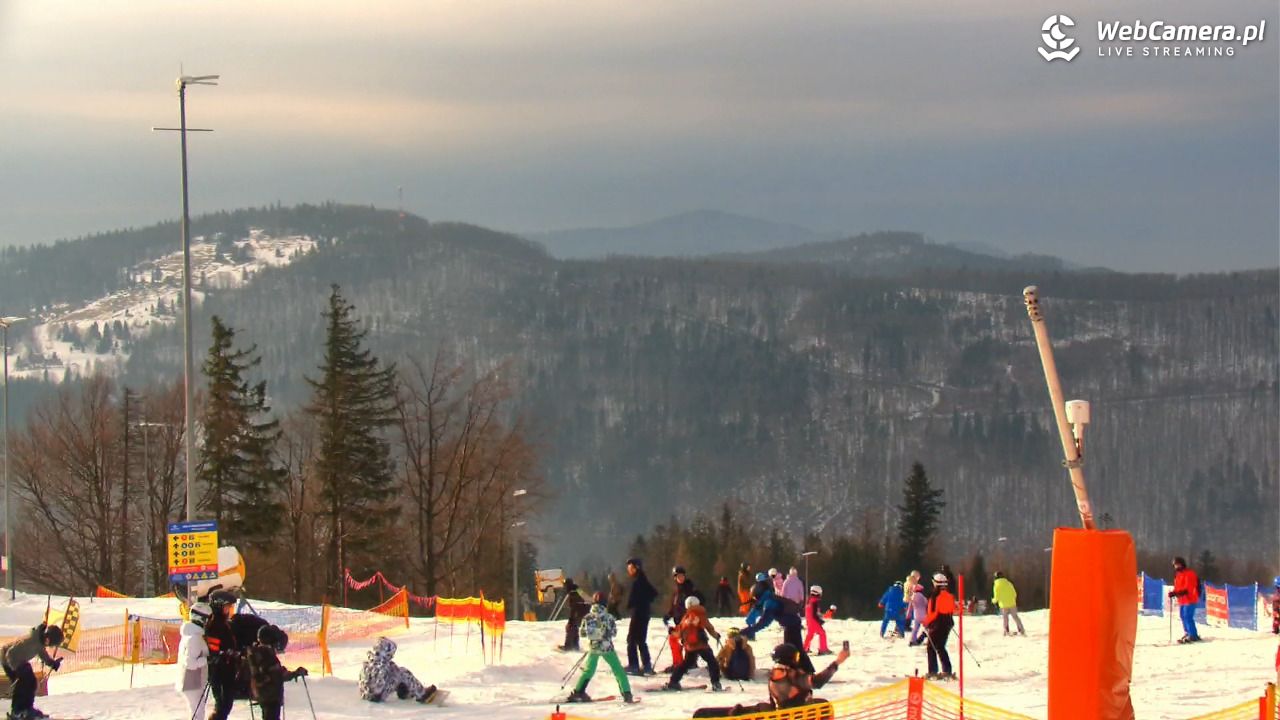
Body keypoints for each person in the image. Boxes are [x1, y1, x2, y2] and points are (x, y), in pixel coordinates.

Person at [567, 592, 635, 704]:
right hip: (607, 648)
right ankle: (627, 694)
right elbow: (613, 633)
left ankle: (578, 692)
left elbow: (583, 633)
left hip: (593, 648)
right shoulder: (609, 617)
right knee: (618, 670)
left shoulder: (587, 617)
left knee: (588, 671)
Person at [2, 623, 63, 720]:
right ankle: (17, 711)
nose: (49, 646)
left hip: (17, 661)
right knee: (23, 683)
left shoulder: (39, 641)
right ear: (47, 638)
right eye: (51, 644)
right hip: (8, 660)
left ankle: (26, 708)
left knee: (31, 683)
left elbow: (43, 654)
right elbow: (10, 653)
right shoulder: (32, 641)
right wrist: (16, 669)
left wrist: (52, 663)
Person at [247, 624, 307, 720]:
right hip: (270, 694)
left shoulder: (257, 653)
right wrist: (295, 673)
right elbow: (278, 674)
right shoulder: (266, 655)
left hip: (263, 694)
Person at [663, 596, 723, 692]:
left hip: (690, 646)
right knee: (712, 662)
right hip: (701, 644)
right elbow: (708, 627)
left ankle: (673, 682)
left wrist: (671, 631)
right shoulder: (700, 613)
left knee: (685, 664)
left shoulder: (686, 617)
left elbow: (679, 632)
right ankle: (716, 683)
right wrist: (716, 635)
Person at [766, 642, 851, 709]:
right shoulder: (790, 674)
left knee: (821, 703)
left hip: (784, 714)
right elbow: (817, 682)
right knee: (825, 707)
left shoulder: (773, 675)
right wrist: (838, 661)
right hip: (800, 714)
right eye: (796, 657)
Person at [358, 637, 439, 703]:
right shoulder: (381, 665)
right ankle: (422, 694)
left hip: (365, 694)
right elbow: (379, 686)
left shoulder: (370, 661)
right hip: (377, 696)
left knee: (395, 672)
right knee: (403, 672)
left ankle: (403, 689)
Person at [203, 590, 242, 720]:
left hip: (227, 669)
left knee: (226, 704)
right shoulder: (214, 624)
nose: (229, 610)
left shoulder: (225, 623)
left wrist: (236, 653)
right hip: (219, 670)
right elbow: (213, 648)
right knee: (222, 705)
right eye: (227, 607)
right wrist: (224, 654)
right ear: (219, 606)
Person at [176, 602, 212, 720]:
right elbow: (190, 663)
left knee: (197, 712)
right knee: (197, 714)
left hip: (192, 681)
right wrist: (208, 659)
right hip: (192, 681)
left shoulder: (192, 634)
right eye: (208, 619)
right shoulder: (194, 638)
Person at [662, 566, 701, 671]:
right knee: (674, 640)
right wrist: (668, 615)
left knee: (688, 642)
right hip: (679, 621)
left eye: (682, 576)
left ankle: (690, 663)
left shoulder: (689, 589)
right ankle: (678, 663)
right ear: (675, 577)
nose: (681, 578)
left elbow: (696, 602)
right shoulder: (676, 591)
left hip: (688, 622)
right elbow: (675, 607)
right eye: (678, 576)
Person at [624, 557, 658, 676]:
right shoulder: (642, 579)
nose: (629, 570)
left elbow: (635, 598)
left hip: (638, 614)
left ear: (636, 568)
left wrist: (632, 604)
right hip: (644, 613)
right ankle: (647, 666)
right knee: (641, 640)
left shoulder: (638, 581)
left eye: (631, 568)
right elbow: (654, 593)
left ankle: (634, 665)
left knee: (631, 639)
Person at [923, 573, 956, 680]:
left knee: (931, 647)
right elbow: (952, 610)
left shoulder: (934, 596)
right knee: (940, 647)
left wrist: (925, 622)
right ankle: (947, 670)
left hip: (937, 624)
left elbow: (932, 613)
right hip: (948, 623)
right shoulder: (949, 595)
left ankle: (933, 671)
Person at [1169, 556, 1202, 643]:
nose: (1177, 567)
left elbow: (1189, 587)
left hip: (1190, 598)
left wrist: (1180, 592)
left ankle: (1193, 635)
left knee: (1188, 616)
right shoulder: (1178, 575)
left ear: (1182, 564)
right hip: (1182, 600)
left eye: (1178, 564)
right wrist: (1173, 592)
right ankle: (1187, 632)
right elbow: (1177, 587)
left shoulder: (1189, 573)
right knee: (1183, 616)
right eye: (1175, 565)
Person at [991, 572, 1026, 636]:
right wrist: (1012, 599)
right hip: (1012, 603)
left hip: (1003, 604)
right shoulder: (1009, 583)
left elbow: (997, 597)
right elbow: (1014, 593)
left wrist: (993, 601)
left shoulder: (996, 585)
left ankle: (1006, 630)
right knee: (1015, 616)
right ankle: (1021, 629)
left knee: (1005, 617)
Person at [561, 578, 588, 651]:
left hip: (577, 611)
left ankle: (568, 646)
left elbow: (574, 605)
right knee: (575, 627)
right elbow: (584, 597)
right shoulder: (577, 589)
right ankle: (575, 645)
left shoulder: (572, 592)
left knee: (570, 627)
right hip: (581, 611)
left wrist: (571, 618)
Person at [803, 585, 830, 655]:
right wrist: (819, 621)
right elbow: (814, 614)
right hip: (814, 621)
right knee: (822, 633)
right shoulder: (814, 602)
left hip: (809, 621)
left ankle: (804, 649)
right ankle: (823, 649)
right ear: (818, 593)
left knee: (810, 635)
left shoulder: (809, 601)